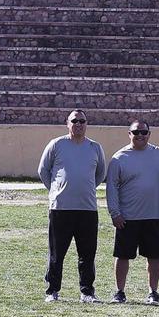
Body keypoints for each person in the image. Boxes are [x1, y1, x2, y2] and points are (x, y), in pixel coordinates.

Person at [38, 109, 106, 303]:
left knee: (87, 253)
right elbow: (43, 171)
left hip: (87, 209)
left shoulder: (94, 147)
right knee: (57, 253)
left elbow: (100, 174)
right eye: (74, 120)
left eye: (82, 121)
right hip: (61, 208)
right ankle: (52, 290)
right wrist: (56, 190)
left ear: (87, 124)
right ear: (67, 123)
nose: (78, 124)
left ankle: (87, 292)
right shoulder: (57, 145)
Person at [105, 120, 159, 304]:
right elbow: (111, 187)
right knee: (123, 255)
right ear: (129, 134)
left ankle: (153, 292)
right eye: (136, 132)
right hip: (127, 217)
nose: (140, 135)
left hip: (154, 215)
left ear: (149, 134)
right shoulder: (119, 158)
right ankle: (119, 291)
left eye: (144, 132)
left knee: (154, 256)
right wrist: (115, 213)